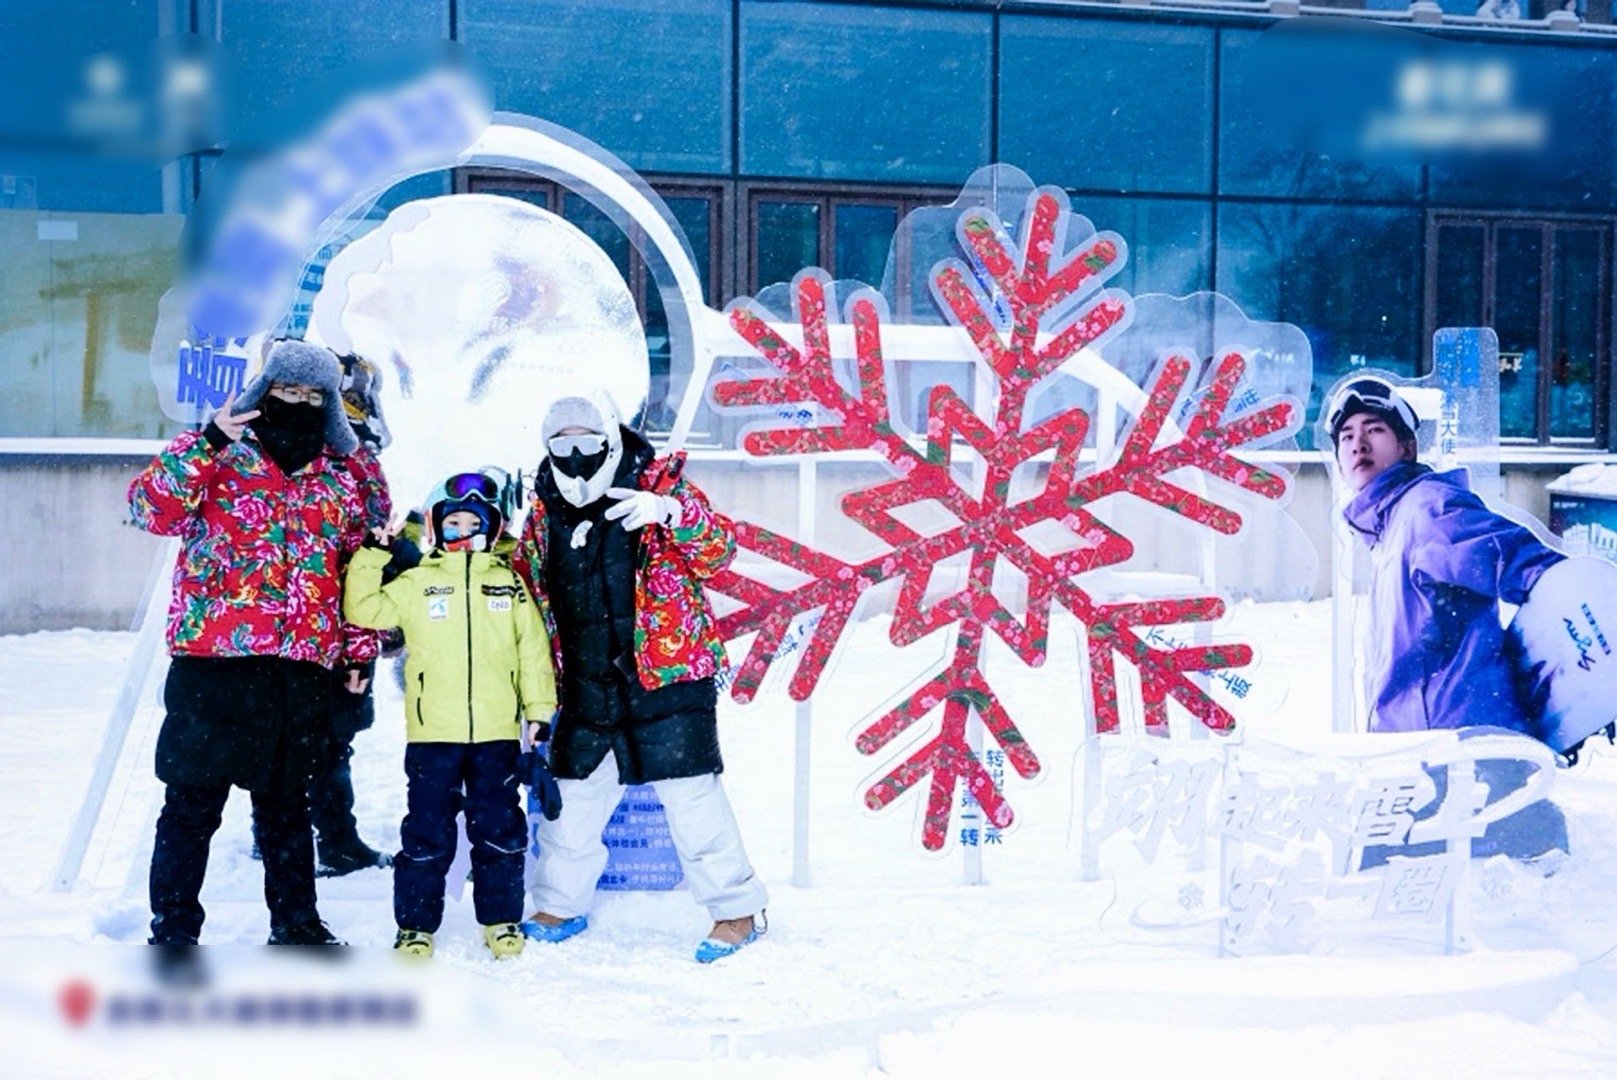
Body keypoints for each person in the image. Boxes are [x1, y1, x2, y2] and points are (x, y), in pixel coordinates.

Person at [128, 339, 377, 969]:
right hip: (214, 662)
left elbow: (357, 571)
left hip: (299, 664)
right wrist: (209, 440)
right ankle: (173, 934)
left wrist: (358, 651)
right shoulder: (219, 454)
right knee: (191, 806)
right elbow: (149, 509)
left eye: (313, 395)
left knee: (287, 808)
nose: (298, 403)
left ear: (329, 404)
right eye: (287, 390)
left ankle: (296, 927)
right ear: (264, 392)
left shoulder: (341, 476)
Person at [513, 393, 768, 963]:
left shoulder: (659, 485)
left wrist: (671, 513)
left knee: (693, 800)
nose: (575, 458)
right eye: (561, 446)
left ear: (610, 439)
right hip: (584, 681)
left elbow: (719, 553)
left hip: (665, 675)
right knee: (572, 802)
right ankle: (559, 904)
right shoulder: (544, 511)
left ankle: (736, 910)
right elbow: (524, 585)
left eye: (586, 443)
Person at [1330, 375, 1568, 863]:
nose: (1358, 444)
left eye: (1374, 430)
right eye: (1347, 435)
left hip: (1460, 755)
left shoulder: (1427, 509)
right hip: (1422, 753)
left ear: (1407, 446)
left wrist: (1582, 604)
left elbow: (1511, 556)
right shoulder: (1390, 525)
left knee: (1413, 885)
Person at [344, 471, 558, 959]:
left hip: (496, 734)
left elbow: (532, 652)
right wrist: (373, 555)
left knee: (499, 828)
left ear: (493, 528)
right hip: (433, 735)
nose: (464, 531)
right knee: (427, 832)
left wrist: (538, 711)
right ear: (436, 527)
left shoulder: (507, 585)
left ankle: (501, 919)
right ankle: (415, 926)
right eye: (454, 522)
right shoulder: (417, 582)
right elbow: (362, 609)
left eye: (475, 523)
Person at [308, 353, 395, 876]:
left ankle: (318, 838)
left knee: (322, 742)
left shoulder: (352, 461)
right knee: (325, 744)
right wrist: (359, 650)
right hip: (325, 632)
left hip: (325, 629)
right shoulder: (352, 464)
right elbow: (362, 562)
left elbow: (366, 562)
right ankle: (332, 841)